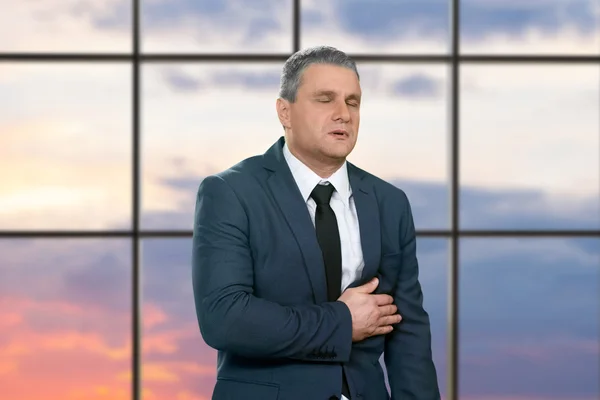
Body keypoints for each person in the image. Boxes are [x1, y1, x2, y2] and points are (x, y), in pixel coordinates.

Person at [192, 45, 440, 400]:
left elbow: (408, 332)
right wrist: (342, 323)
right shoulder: (230, 192)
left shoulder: (390, 202)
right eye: (325, 99)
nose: (343, 114)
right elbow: (225, 319)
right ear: (285, 111)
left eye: (352, 102)